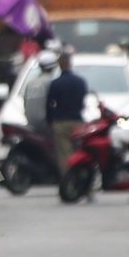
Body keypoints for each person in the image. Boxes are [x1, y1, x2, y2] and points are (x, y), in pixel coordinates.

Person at [44, 48, 90, 176]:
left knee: (64, 154)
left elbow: (49, 105)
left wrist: (50, 121)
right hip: (77, 121)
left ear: (60, 64)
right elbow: (83, 101)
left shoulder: (56, 84)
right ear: (70, 63)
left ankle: (68, 179)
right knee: (80, 151)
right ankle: (81, 177)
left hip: (61, 122)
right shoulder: (80, 82)